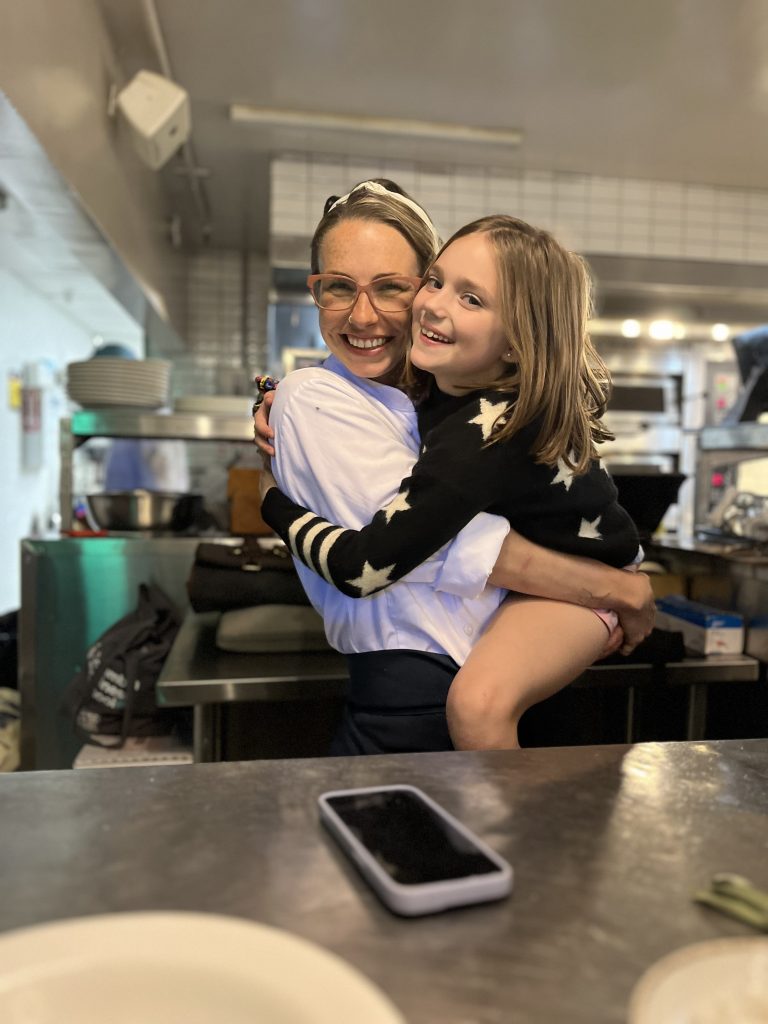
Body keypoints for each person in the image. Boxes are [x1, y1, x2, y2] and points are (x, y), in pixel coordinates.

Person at [254, 180, 655, 755]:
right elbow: (442, 546)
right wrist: (617, 589)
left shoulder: (459, 401)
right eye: (338, 287)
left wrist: (270, 500)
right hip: (423, 683)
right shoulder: (321, 396)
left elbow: (391, 552)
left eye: (392, 287)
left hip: (525, 643)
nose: (363, 315)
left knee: (489, 747)